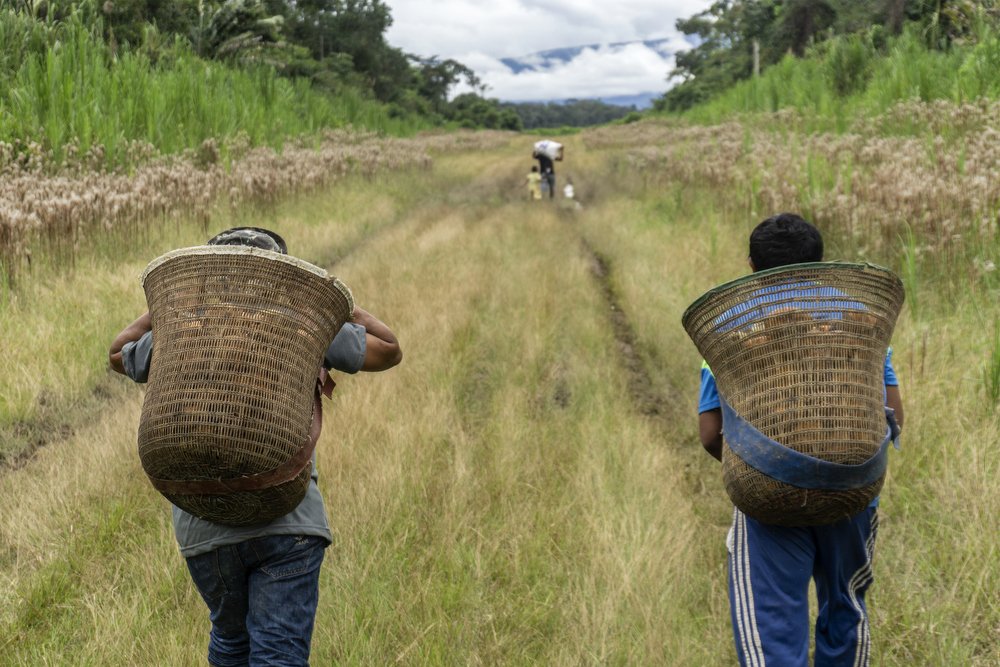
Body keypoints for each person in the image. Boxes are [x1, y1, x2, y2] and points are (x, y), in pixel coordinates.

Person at [109, 226, 402, 667]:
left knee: (230, 645)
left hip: (202, 527)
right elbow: (389, 349)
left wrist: (165, 309)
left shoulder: (187, 324)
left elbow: (119, 353)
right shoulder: (299, 320)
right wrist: (337, 307)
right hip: (287, 519)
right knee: (277, 654)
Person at [696, 213, 904, 667]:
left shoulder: (733, 327)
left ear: (751, 266)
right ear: (820, 264)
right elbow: (894, 416)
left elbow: (711, 433)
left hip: (768, 497)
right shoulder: (858, 318)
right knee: (846, 607)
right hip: (853, 489)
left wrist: (762, 465)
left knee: (771, 629)